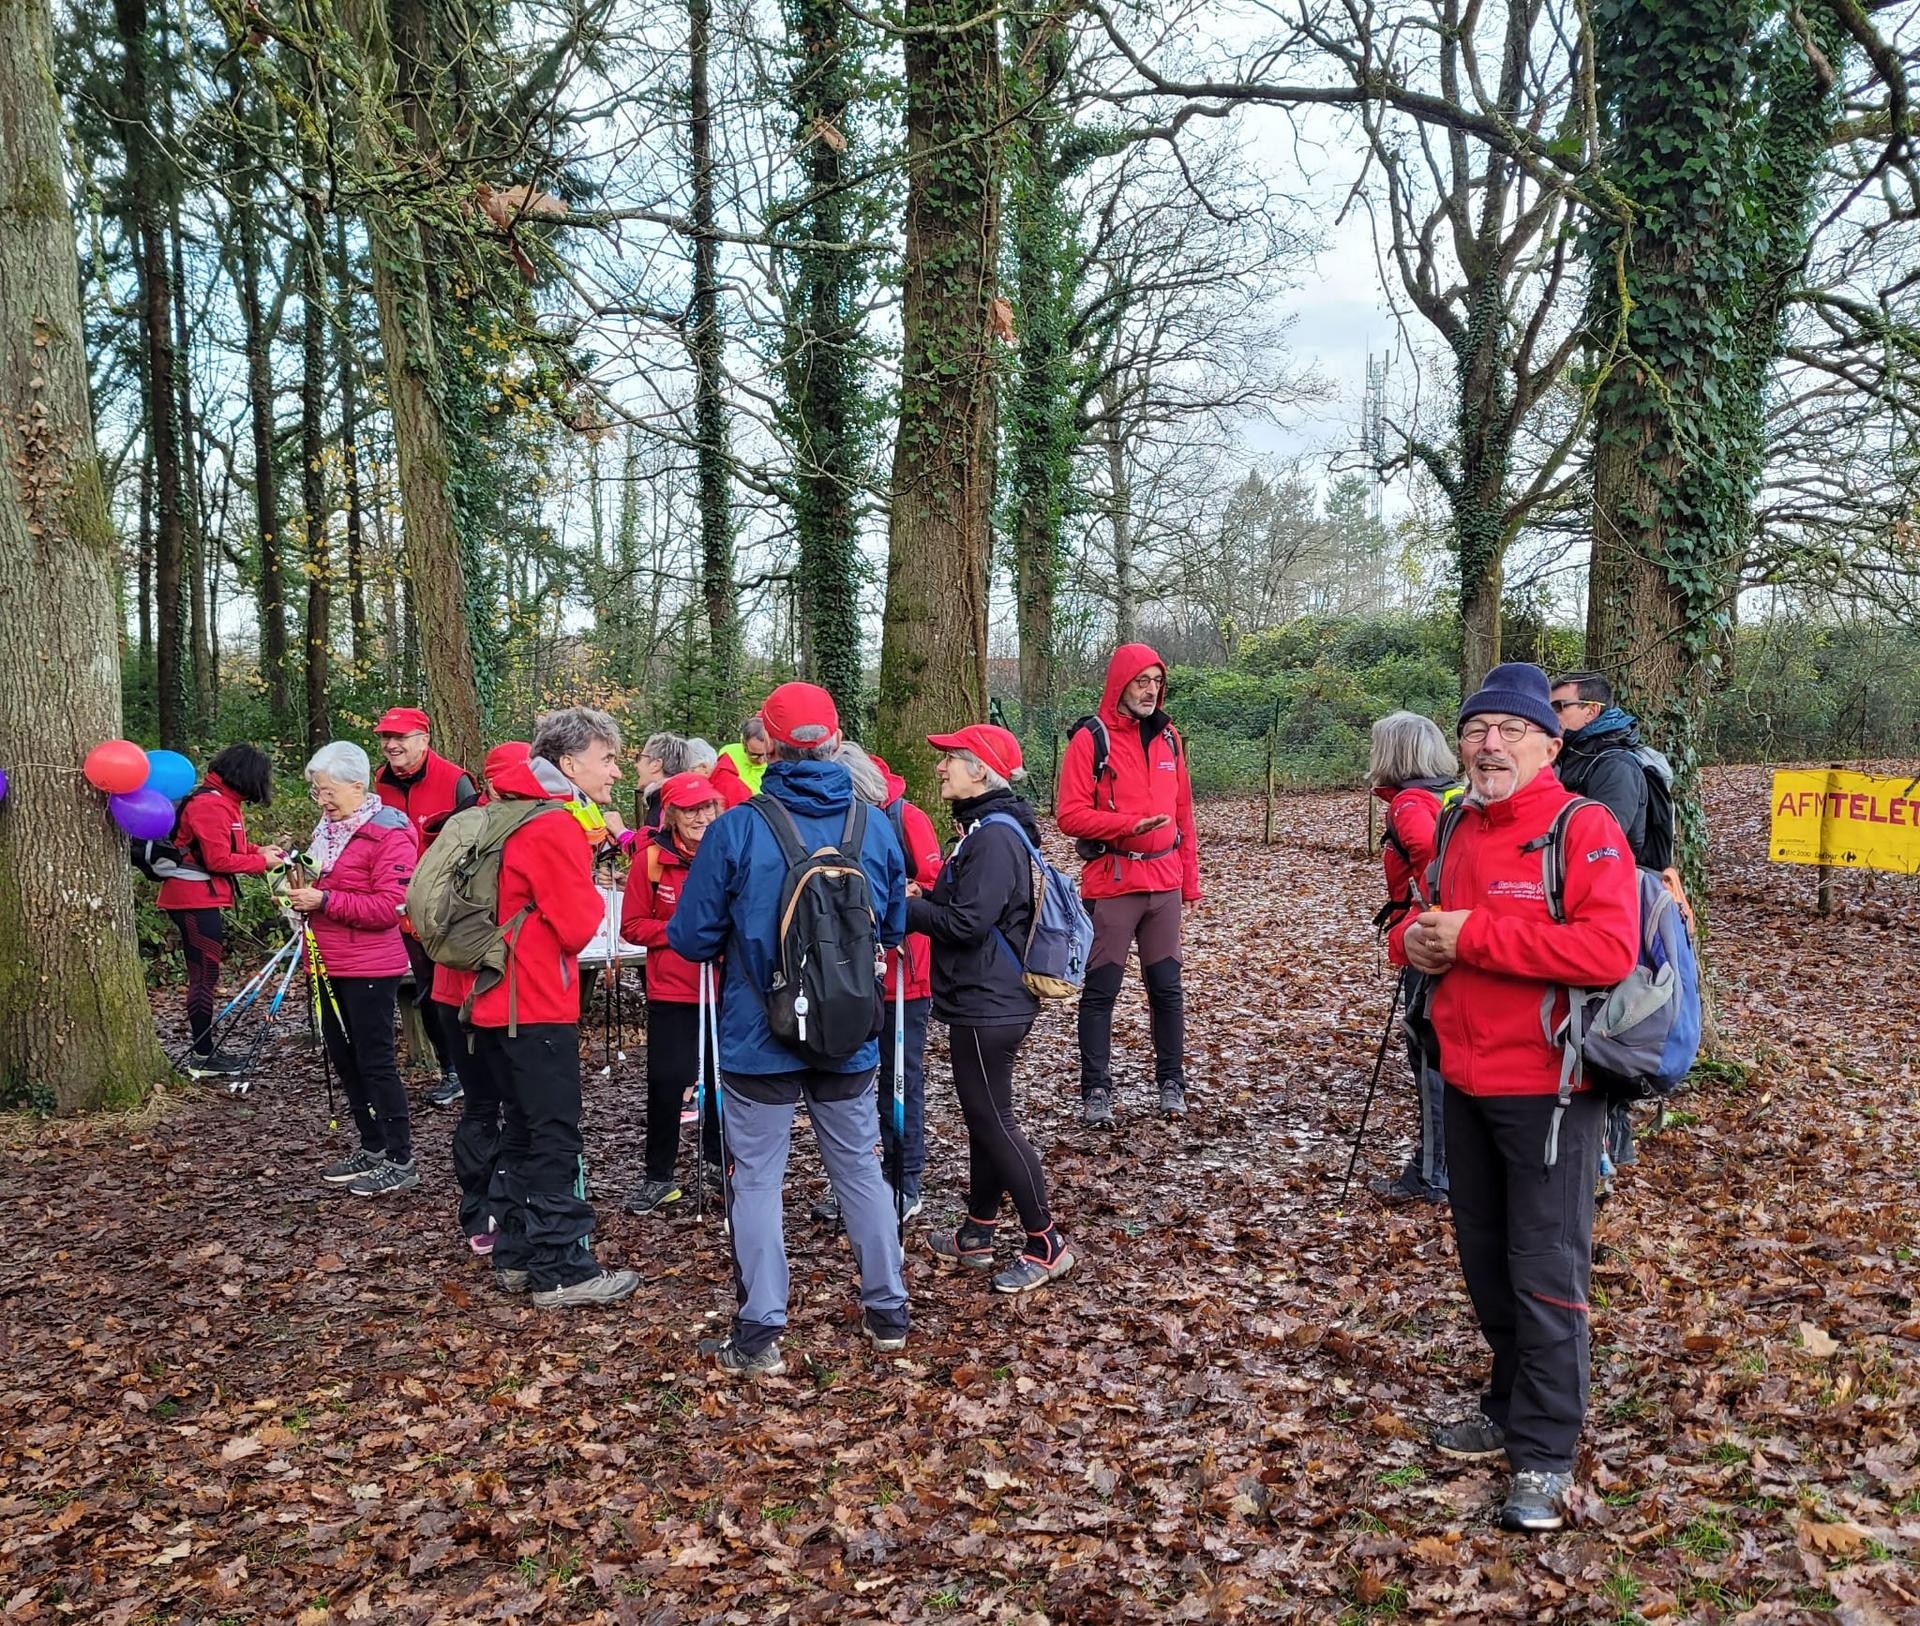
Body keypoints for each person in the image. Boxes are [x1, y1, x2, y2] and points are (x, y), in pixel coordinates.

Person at [1388, 662, 1639, 1533]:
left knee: (1547, 1272)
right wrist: (1417, 944)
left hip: (1553, 1090)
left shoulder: (1584, 825)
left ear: (1549, 742)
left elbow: (1609, 950)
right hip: (1463, 1077)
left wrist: (1473, 938)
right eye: (1475, 730)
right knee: (1486, 1264)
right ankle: (1506, 1404)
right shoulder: (1456, 821)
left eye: (1510, 730)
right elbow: (1430, 922)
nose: (1490, 744)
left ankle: (1543, 1452)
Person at [667, 681, 909, 1375]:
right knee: (860, 1169)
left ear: (766, 743)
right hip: (848, 1031)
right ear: (835, 739)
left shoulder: (738, 828)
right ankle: (888, 1311)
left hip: (756, 1035)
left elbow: (690, 937)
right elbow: (890, 927)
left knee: (758, 1181)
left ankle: (760, 1332)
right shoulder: (875, 824)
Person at [470, 708, 641, 1308]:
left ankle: (517, 1255)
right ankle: (562, 1268)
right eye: (608, 759)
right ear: (568, 764)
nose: (616, 772)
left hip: (489, 999)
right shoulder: (553, 825)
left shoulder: (500, 813)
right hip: (534, 1001)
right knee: (553, 1137)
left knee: (518, 1131)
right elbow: (575, 926)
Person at [911, 725, 1076, 1294]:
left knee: (993, 1121)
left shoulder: (993, 837)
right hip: (986, 996)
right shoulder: (985, 830)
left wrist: (906, 910)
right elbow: (967, 906)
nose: (940, 768)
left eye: (951, 760)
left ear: (979, 770)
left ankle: (1046, 1241)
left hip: (991, 1002)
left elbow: (966, 923)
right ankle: (978, 1230)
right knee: (985, 1118)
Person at [1056, 643, 1202, 1126]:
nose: (1150, 690)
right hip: (1114, 882)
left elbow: (1184, 814)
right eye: (1142, 681)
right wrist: (1125, 827)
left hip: (1164, 882)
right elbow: (1069, 815)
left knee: (1168, 989)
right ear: (1120, 683)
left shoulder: (1170, 740)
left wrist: (1190, 881)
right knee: (1102, 992)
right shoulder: (1090, 740)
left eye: (1157, 682)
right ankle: (1096, 1089)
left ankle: (1172, 1082)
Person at [810, 742, 943, 1225]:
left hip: (905, 973)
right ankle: (855, 1179)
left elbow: (933, 879)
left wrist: (904, 897)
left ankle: (905, 1182)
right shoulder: (835, 823)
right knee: (849, 1084)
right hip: (846, 974)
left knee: (899, 1081)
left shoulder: (906, 817)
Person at [1549, 670, 1669, 1196]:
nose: (1550, 713)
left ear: (1589, 712)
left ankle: (1608, 1151)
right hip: (1574, 910)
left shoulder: (1614, 764)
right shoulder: (1574, 757)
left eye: (1560, 705)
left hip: (1613, 912)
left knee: (1605, 1025)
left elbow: (1606, 842)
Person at [289, 741, 421, 1197]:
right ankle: (372, 1146)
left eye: (327, 790)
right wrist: (298, 896)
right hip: (325, 961)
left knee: (375, 1060)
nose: (321, 799)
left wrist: (324, 900)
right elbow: (318, 882)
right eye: (316, 791)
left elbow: (389, 907)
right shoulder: (326, 830)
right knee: (344, 1059)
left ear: (357, 785)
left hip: (369, 963)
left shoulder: (389, 833)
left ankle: (401, 1158)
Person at [436, 741, 531, 1258]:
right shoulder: (515, 833)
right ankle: (500, 1211)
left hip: (450, 985)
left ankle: (478, 1210)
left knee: (480, 1103)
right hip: (495, 988)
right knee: (511, 1103)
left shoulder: (452, 831)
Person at [619, 770, 727, 1213]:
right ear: (672, 814)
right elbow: (632, 926)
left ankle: (719, 1161)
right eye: (690, 809)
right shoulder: (650, 860)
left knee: (723, 1078)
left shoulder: (729, 852)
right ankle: (658, 1175)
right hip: (672, 989)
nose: (701, 815)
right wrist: (681, 933)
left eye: (707, 806)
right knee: (667, 1081)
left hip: (724, 987)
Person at [1366, 711, 1460, 1206]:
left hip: (1425, 940)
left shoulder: (1408, 804)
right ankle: (1449, 1166)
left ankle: (1431, 1173)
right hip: (1452, 935)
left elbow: (1431, 861)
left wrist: (1422, 918)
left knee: (1428, 1054)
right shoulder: (1456, 794)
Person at [155, 744, 288, 1078]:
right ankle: (203, 1054)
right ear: (245, 777)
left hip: (204, 896)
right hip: (193, 898)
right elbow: (218, 860)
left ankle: (205, 1049)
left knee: (207, 974)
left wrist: (260, 850)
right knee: (203, 976)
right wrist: (262, 862)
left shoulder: (223, 801)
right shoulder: (210, 805)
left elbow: (226, 847)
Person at [372, 706, 477, 1110]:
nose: (391, 745)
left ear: (423, 740)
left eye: (399, 738)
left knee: (455, 990)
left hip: (451, 907)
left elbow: (475, 843)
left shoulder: (456, 781)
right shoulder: (379, 782)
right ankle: (451, 1070)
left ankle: (471, 1069)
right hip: (402, 907)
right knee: (428, 992)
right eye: (386, 738)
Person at [635, 732, 695, 829]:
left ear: (656, 764)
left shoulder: (664, 807)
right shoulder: (686, 801)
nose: (636, 765)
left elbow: (654, 843)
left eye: (640, 758)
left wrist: (622, 834)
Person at [711, 715, 770, 804]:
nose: (761, 760)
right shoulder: (728, 755)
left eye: (766, 754)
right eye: (754, 755)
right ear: (743, 743)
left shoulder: (777, 760)